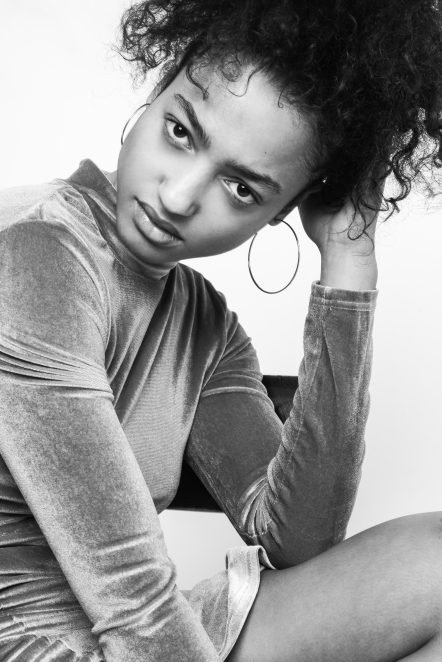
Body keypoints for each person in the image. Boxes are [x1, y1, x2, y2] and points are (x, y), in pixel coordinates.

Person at [0, 0, 441, 660]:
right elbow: (132, 604)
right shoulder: (36, 255)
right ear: (159, 87)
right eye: (181, 132)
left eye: (241, 189)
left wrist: (349, 263)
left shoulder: (203, 324)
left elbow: (298, 543)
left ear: (283, 209)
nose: (178, 197)